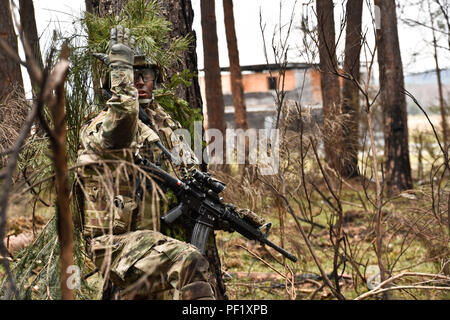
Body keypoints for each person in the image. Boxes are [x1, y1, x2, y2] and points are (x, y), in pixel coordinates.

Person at [74, 25, 216, 300]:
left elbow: (188, 175)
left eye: (146, 75)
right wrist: (120, 72)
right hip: (116, 246)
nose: (139, 82)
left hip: (156, 244)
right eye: (132, 75)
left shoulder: (165, 126)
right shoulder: (101, 126)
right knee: (188, 262)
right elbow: (123, 119)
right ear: (115, 82)